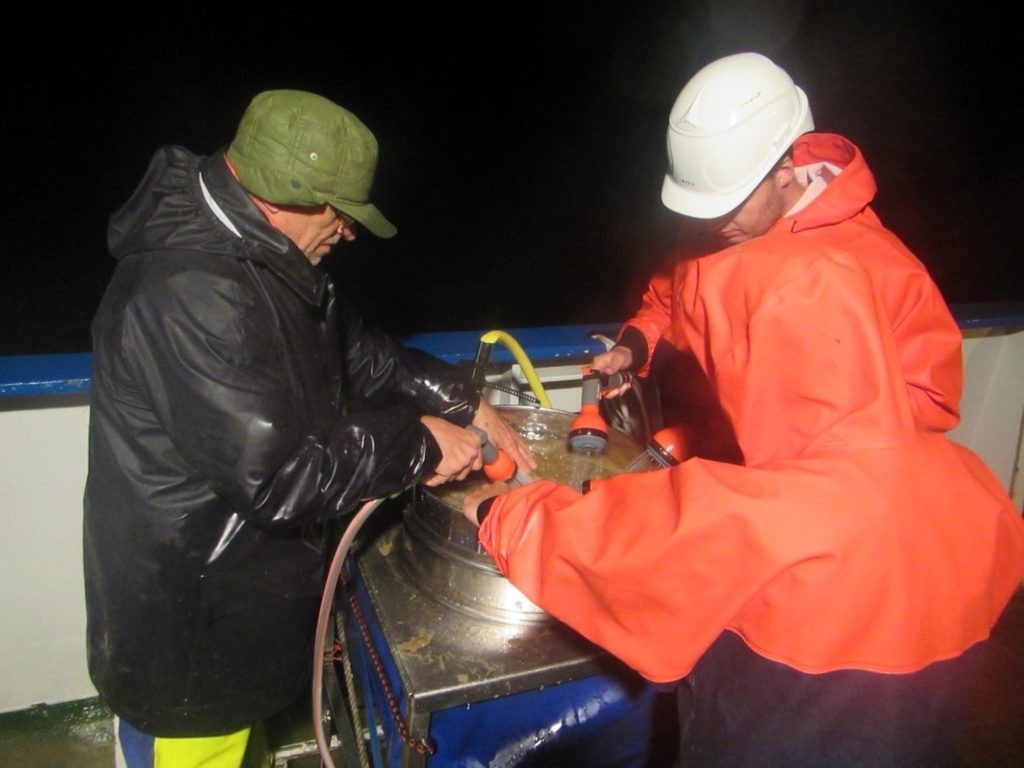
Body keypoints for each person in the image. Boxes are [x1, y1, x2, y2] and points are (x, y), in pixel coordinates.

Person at [462, 53, 1024, 767]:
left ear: (787, 166)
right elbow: (673, 292)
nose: (710, 225)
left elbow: (920, 403)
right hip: (848, 520)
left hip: (807, 524)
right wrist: (637, 345)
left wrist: (500, 512)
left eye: (723, 204)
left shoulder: (882, 267)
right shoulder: (987, 504)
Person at [84, 89, 534, 767]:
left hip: (233, 607)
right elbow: (281, 473)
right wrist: (416, 444)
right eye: (341, 214)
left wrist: (466, 401)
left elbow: (360, 350)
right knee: (200, 745)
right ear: (283, 197)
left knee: (241, 746)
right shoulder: (192, 293)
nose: (348, 232)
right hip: (192, 629)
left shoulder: (265, 259)